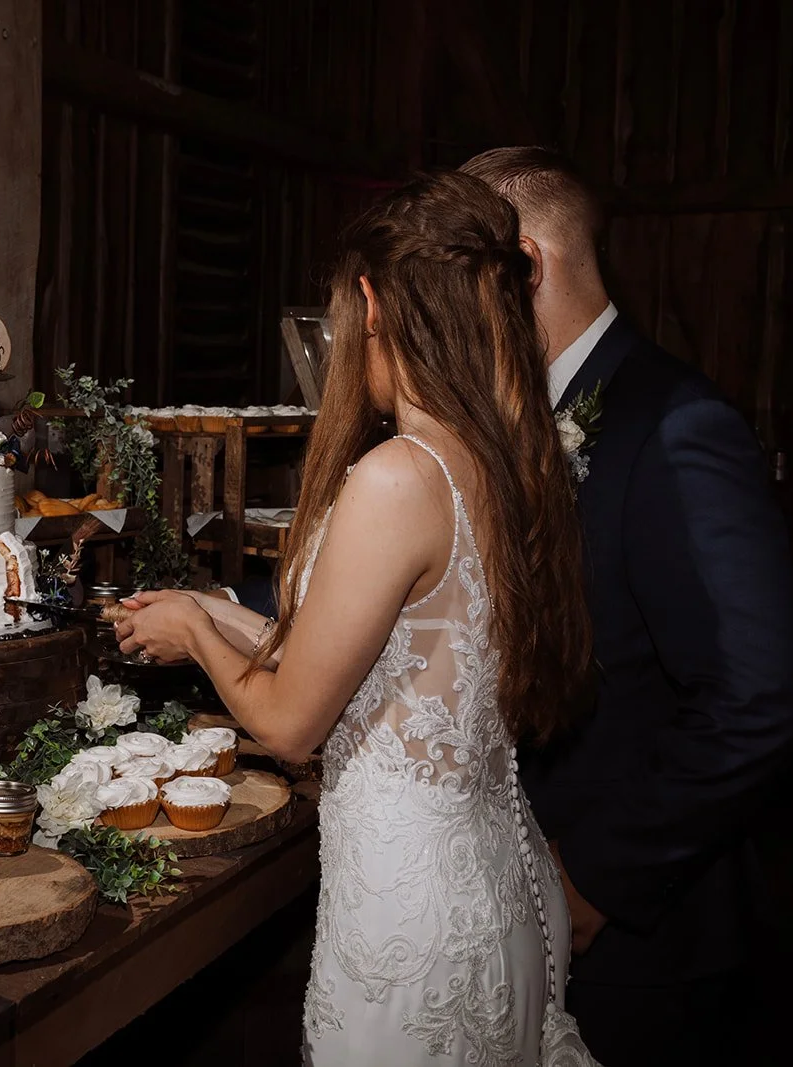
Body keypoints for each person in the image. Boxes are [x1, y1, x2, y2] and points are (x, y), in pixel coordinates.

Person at [117, 171, 600, 1064]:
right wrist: (215, 612)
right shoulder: (507, 463)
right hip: (501, 881)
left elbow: (292, 723)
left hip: (408, 924)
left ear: (374, 306)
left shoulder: (396, 477)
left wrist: (191, 639)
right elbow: (385, 667)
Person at [453, 146, 793, 1065]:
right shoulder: (526, 415)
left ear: (525, 266)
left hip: (641, 934)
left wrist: (596, 880)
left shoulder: (675, 421)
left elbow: (761, 695)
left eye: (457, 280)